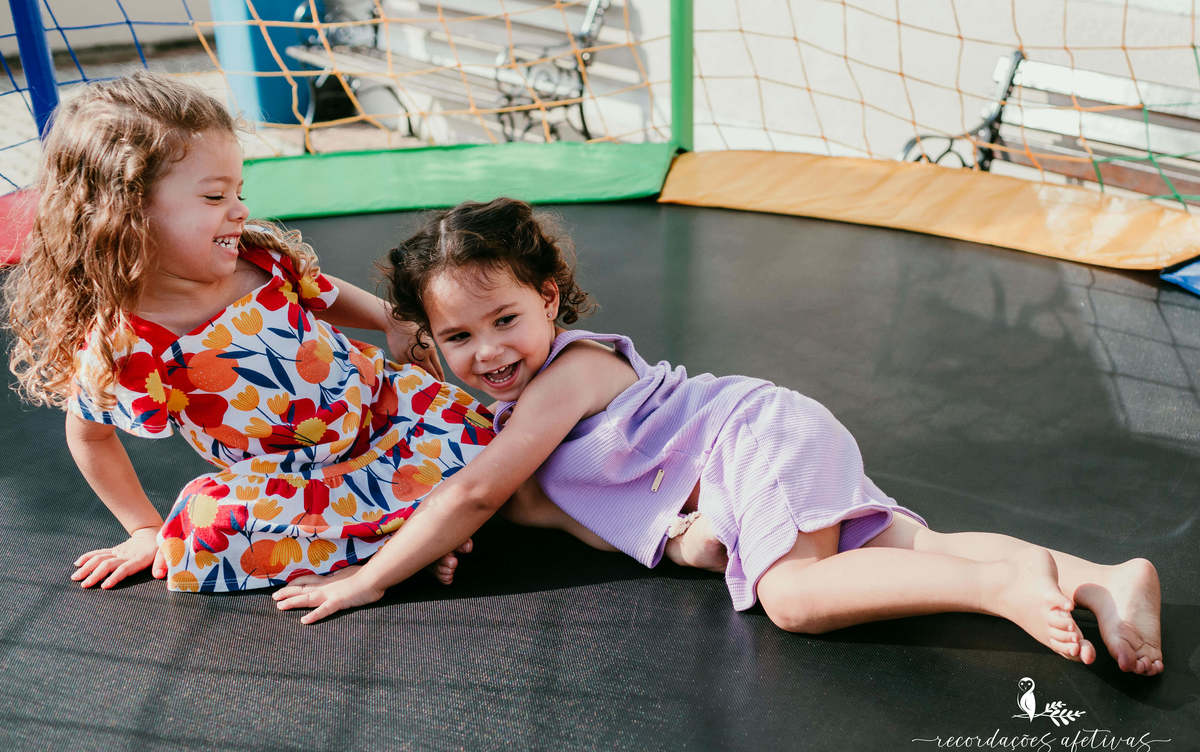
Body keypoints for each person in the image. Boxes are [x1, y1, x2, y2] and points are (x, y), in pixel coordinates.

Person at [274, 198, 1164, 678]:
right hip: (755, 451)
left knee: (795, 597)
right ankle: (1103, 578)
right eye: (460, 338)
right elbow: (536, 496)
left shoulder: (568, 374)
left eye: (505, 318)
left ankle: (996, 586)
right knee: (904, 548)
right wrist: (268, 263)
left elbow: (475, 492)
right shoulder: (504, 392)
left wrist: (368, 577)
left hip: (753, 435)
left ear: (548, 298)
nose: (488, 352)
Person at [2, 72, 502, 593]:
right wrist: (144, 528)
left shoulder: (257, 259)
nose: (239, 209)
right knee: (206, 528)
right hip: (293, 484)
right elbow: (89, 435)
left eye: (238, 192)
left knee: (474, 431)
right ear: (126, 214)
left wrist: (389, 318)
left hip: (381, 418)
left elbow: (323, 292)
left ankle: (403, 538)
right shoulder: (130, 342)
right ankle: (414, 540)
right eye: (214, 196)